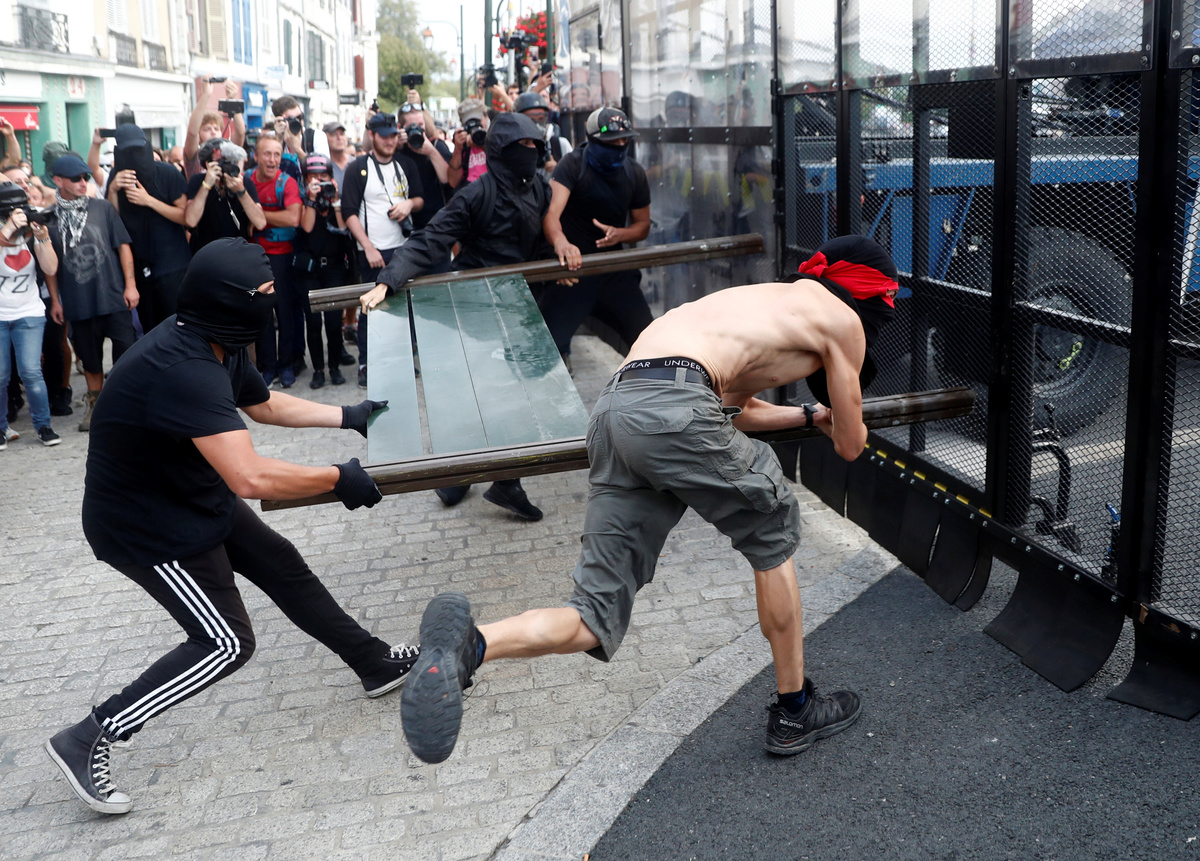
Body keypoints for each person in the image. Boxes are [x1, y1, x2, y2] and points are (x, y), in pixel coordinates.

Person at [397, 235, 901, 764]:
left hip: (617, 410)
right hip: (677, 405)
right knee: (771, 525)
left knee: (592, 613)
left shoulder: (757, 301)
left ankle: (468, 648)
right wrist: (840, 417)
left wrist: (805, 415)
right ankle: (795, 710)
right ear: (867, 301)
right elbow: (850, 444)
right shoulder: (841, 319)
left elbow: (737, 409)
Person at [43, 238, 419, 816]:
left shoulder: (220, 339)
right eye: (263, 293)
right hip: (146, 526)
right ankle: (88, 736)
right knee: (225, 643)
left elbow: (262, 404)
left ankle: (373, 663)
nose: (271, 302)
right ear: (228, 300)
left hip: (191, 494)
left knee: (282, 566)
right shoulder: (185, 369)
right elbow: (249, 476)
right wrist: (336, 479)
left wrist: (350, 416)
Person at [359, 111, 554, 523]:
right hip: (476, 305)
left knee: (505, 392)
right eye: (521, 146)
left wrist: (559, 263)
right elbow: (430, 238)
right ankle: (486, 479)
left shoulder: (540, 187)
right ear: (500, 150)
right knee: (491, 393)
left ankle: (467, 477)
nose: (529, 153)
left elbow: (541, 238)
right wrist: (388, 281)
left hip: (517, 303)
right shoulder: (475, 194)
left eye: (534, 146)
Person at [539, 106, 651, 363]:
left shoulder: (634, 173)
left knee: (649, 338)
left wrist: (621, 234)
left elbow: (643, 225)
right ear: (593, 140)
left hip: (613, 269)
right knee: (545, 350)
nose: (619, 146)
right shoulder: (572, 165)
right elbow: (551, 215)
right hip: (573, 271)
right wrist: (562, 243)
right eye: (612, 141)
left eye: (624, 140)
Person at [45, 154, 139, 432]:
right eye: (76, 178)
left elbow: (123, 246)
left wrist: (131, 284)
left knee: (127, 350)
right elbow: (50, 267)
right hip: (77, 301)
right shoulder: (49, 218)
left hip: (112, 295)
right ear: (58, 180)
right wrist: (55, 300)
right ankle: (95, 406)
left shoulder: (102, 208)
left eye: (85, 177)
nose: (83, 182)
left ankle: (127, 404)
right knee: (89, 358)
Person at [340, 112, 423, 388]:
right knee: (370, 309)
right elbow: (349, 212)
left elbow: (420, 199)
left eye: (393, 136)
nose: (389, 141)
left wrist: (409, 204)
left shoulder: (406, 164)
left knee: (401, 308)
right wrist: (368, 247)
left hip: (402, 248)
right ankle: (366, 363)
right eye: (384, 136)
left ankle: (401, 359)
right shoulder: (358, 167)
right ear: (372, 136)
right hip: (372, 251)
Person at [106, 124, 191, 333]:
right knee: (152, 331)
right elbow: (113, 221)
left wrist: (149, 201)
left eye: (138, 150)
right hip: (140, 267)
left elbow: (186, 217)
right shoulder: (116, 177)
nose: (134, 156)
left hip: (173, 266)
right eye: (127, 152)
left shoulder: (167, 173)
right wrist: (113, 190)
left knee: (179, 329)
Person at [0, 183, 62, 447]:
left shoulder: (29, 233)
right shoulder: (6, 230)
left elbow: (50, 268)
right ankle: (1, 428)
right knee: (1, 375)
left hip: (29, 312)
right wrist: (8, 228)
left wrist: (42, 237)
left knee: (31, 371)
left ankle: (43, 426)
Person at [297, 154, 352, 388]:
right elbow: (307, 227)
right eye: (314, 176)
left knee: (333, 321)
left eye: (324, 176)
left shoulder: (335, 198)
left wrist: (336, 200)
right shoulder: (303, 200)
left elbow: (343, 228)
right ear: (306, 179)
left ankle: (334, 367)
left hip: (334, 268)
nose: (319, 180)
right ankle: (318, 369)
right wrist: (311, 198)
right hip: (310, 270)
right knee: (313, 323)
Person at [184, 138, 267, 253]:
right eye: (220, 161)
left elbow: (260, 223)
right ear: (207, 164)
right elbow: (191, 221)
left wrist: (241, 192)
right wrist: (206, 186)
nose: (226, 165)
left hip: (237, 252)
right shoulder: (198, 181)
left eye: (230, 161)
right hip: (205, 252)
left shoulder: (245, 182)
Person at [183, 78, 246, 179]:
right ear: (199, 134)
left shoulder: (228, 150)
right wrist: (206, 95)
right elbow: (192, 133)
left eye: (216, 129)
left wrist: (232, 99)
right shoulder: (195, 154)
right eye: (207, 129)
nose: (213, 132)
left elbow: (240, 133)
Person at [271, 96, 329, 186]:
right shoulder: (270, 138)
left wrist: (297, 150)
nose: (299, 122)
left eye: (300, 117)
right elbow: (267, 170)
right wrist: (278, 142)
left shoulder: (316, 136)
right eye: (291, 119)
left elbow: (324, 171)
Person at [512, 91, 572, 177]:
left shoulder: (561, 145)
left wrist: (559, 170)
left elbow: (576, 179)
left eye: (541, 119)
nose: (537, 125)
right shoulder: (512, 149)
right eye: (531, 120)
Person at [448, 98, 489, 189]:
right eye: (470, 123)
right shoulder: (464, 145)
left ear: (485, 118)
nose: (475, 126)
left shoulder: (494, 137)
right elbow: (453, 182)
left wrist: (483, 145)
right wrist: (458, 149)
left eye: (478, 121)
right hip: (471, 191)